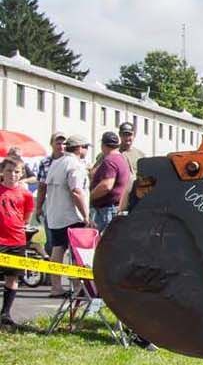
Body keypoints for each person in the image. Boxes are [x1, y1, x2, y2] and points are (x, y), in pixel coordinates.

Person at [41, 134, 90, 299]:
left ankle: (56, 287)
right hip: (71, 216)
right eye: (86, 147)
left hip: (55, 213)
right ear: (79, 148)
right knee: (76, 253)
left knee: (58, 249)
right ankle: (77, 287)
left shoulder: (56, 163)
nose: (86, 150)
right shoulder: (74, 164)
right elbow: (76, 191)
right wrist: (86, 216)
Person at [0, 159, 34, 329]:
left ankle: (5, 313)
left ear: (21, 174)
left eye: (16, 172)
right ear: (2, 172)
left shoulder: (25, 194)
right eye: (9, 171)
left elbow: (26, 216)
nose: (12, 175)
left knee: (12, 278)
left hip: (16, 240)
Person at [87, 131, 130, 230]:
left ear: (103, 145)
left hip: (107, 210)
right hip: (115, 206)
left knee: (103, 242)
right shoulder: (121, 159)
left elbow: (106, 186)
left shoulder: (110, 161)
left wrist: (89, 197)